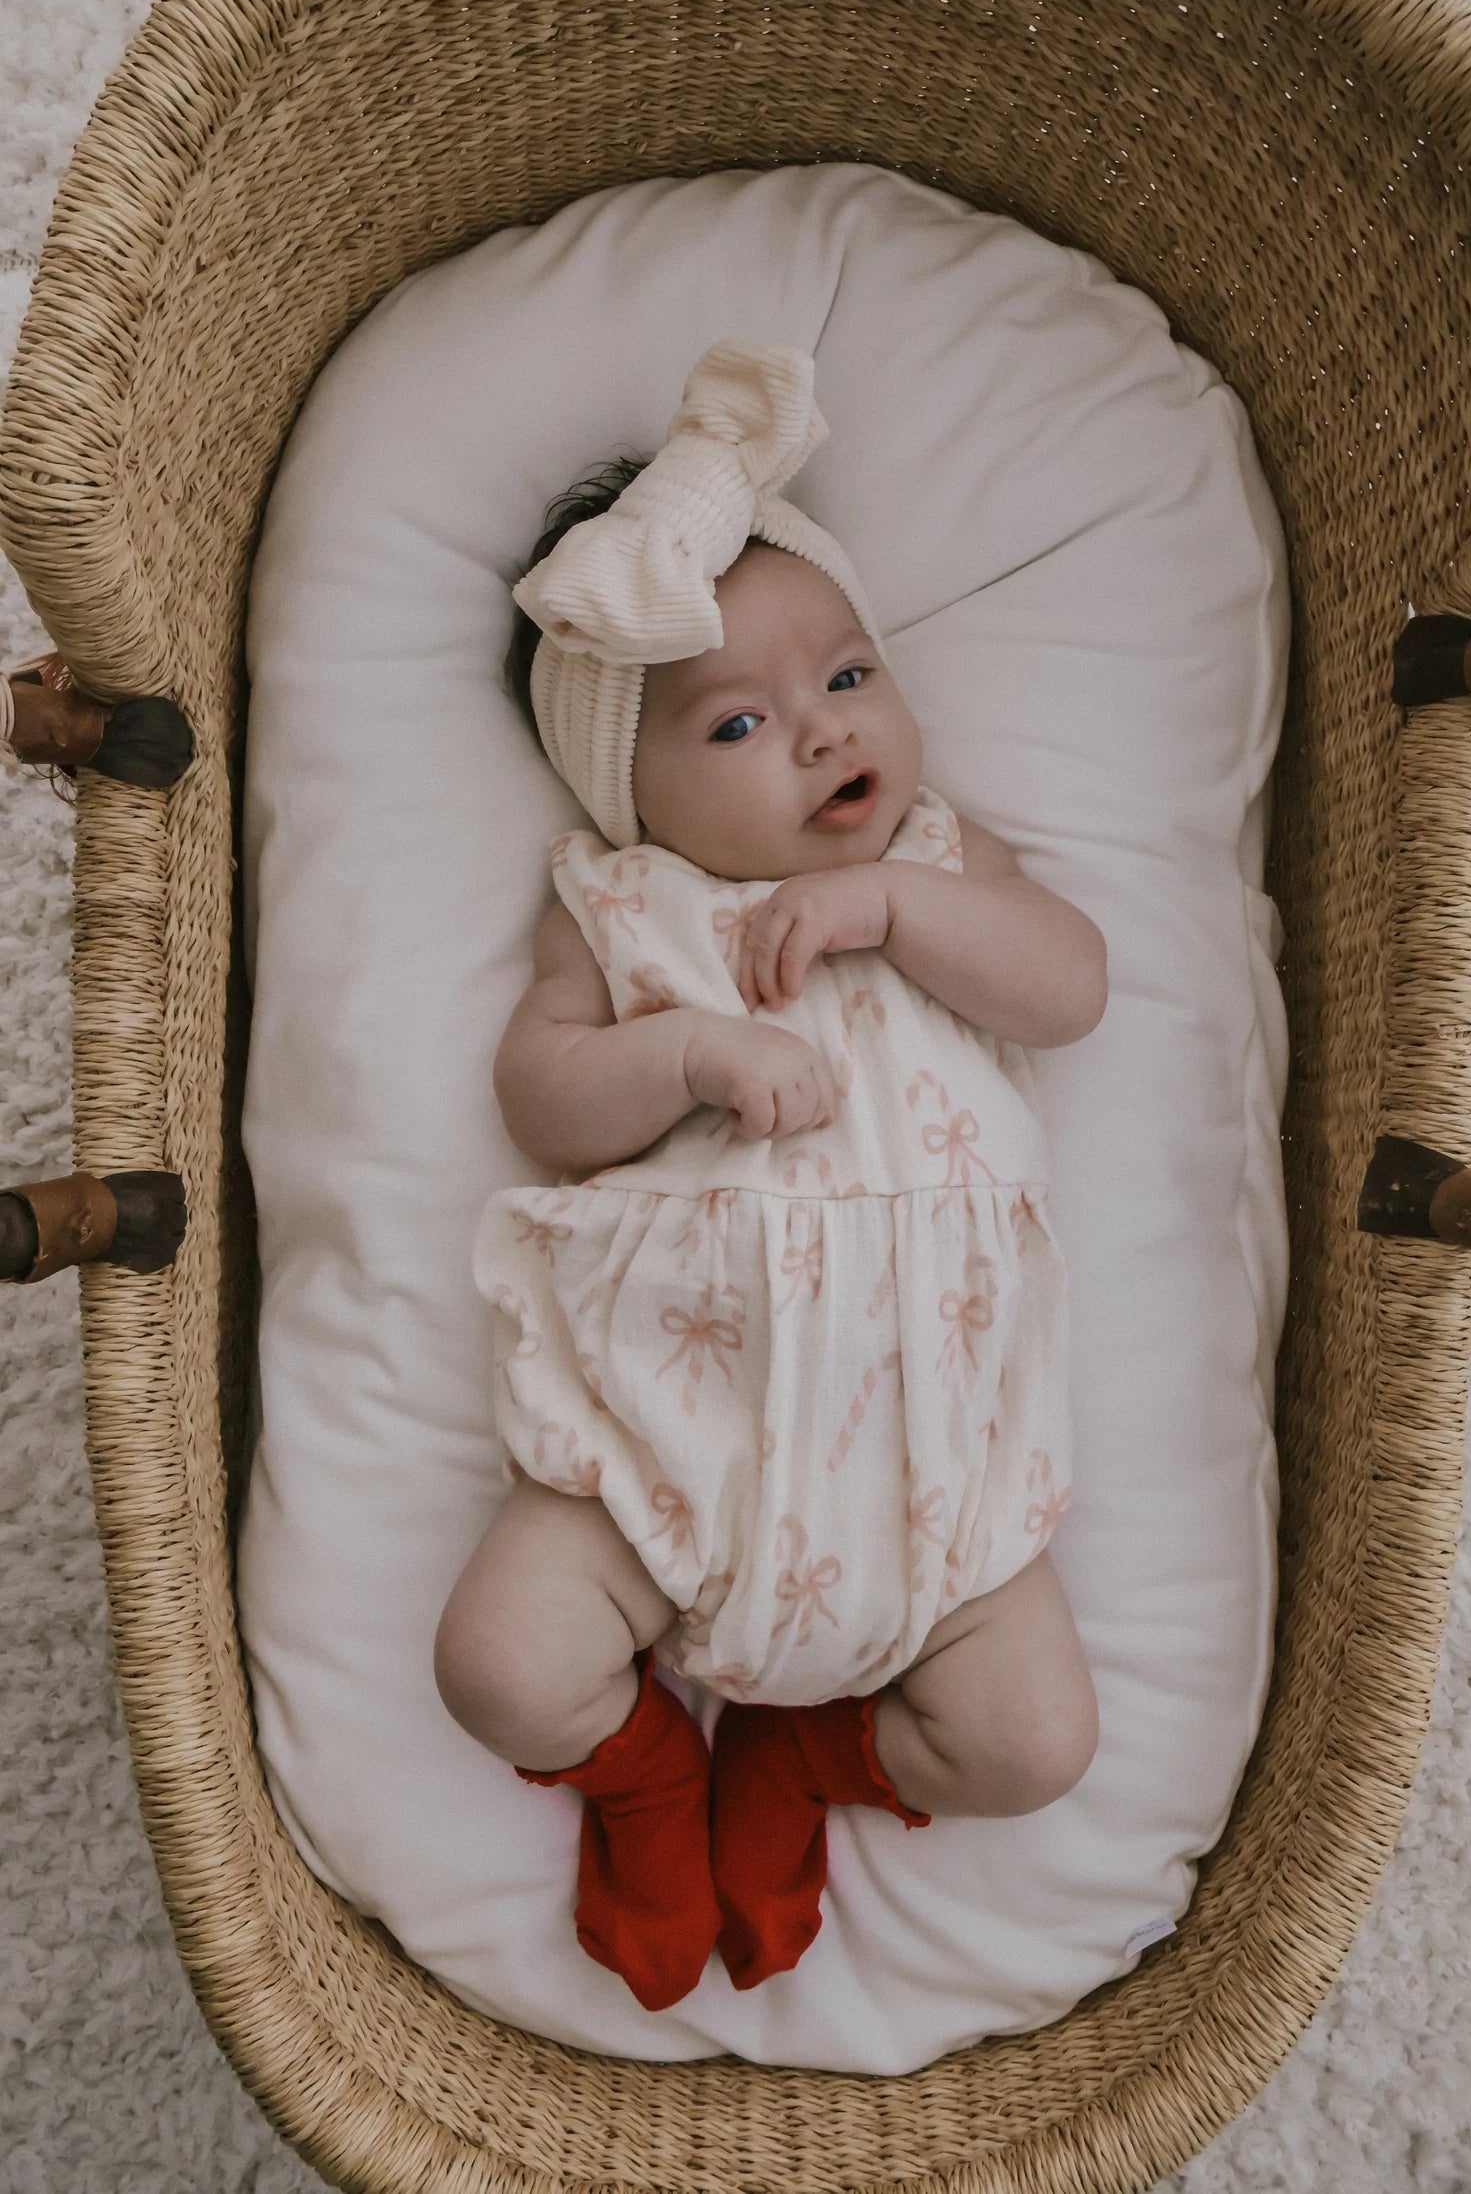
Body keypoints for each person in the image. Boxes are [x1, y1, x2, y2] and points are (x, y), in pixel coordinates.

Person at [434, 339, 1107, 2014]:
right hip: (670, 1452)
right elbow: (539, 1092)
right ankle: (652, 1769)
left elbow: (1072, 985)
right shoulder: (623, 906)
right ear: (631, 791)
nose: (821, 734)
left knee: (1036, 1741)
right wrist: (684, 1056)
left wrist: (902, 913)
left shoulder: (939, 857)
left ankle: (807, 1758)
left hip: (934, 1477)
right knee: (499, 1664)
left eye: (850, 676)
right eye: (738, 719)